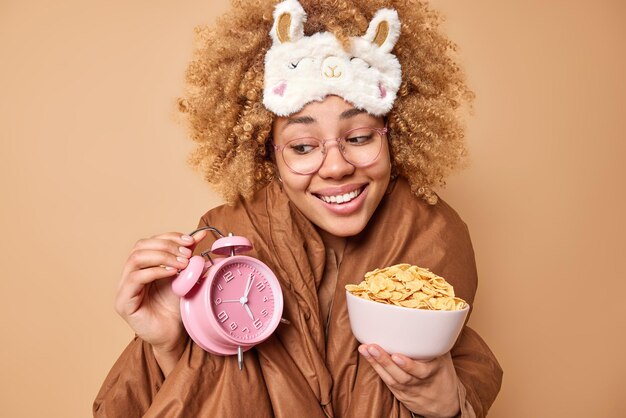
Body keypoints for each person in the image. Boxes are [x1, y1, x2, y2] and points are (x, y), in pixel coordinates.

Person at [94, 0, 503, 416]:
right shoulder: (227, 238)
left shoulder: (432, 232)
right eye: (303, 147)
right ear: (267, 154)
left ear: (393, 135)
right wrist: (170, 345)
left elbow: (463, 366)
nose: (338, 166)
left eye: (360, 137)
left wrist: (450, 407)